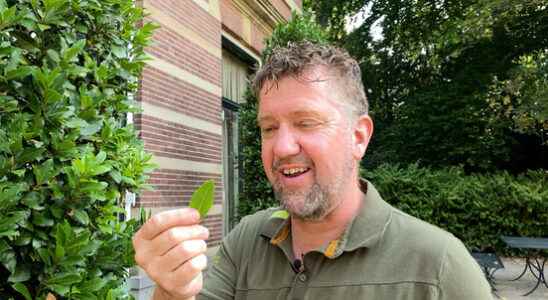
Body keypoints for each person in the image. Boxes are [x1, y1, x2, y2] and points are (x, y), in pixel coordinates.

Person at [132, 42, 492, 300]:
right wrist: (171, 290)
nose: (283, 147)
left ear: (359, 136)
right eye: (269, 128)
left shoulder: (438, 265)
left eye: (306, 122)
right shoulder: (245, 242)